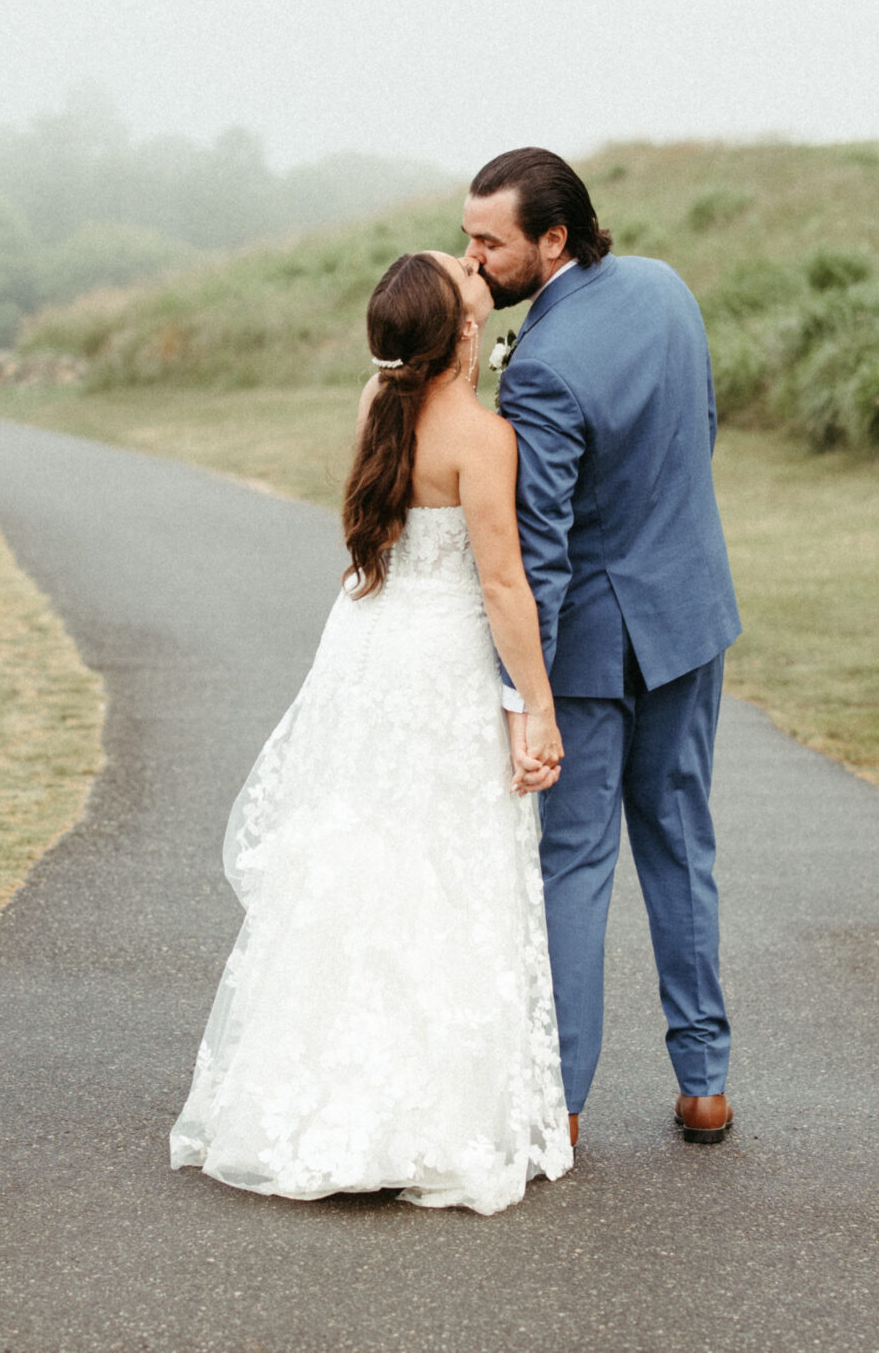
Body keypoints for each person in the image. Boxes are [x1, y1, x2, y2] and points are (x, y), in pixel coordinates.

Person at [169, 250, 573, 1215]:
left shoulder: (375, 403)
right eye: (465, 275)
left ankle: (317, 1095)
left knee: (355, 856)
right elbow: (505, 584)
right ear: (465, 332)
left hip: (363, 648)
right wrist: (539, 706)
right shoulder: (482, 437)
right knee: (442, 864)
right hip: (435, 667)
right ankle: (423, 1114)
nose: (476, 269)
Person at [461, 146, 744, 1146]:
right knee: (679, 842)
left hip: (587, 650)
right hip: (688, 614)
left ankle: (561, 1106)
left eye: (489, 242)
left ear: (553, 239)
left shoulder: (537, 366)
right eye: (468, 237)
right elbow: (697, 431)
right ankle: (704, 1084)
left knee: (573, 866)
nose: (473, 259)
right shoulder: (668, 289)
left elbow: (536, 554)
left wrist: (518, 695)